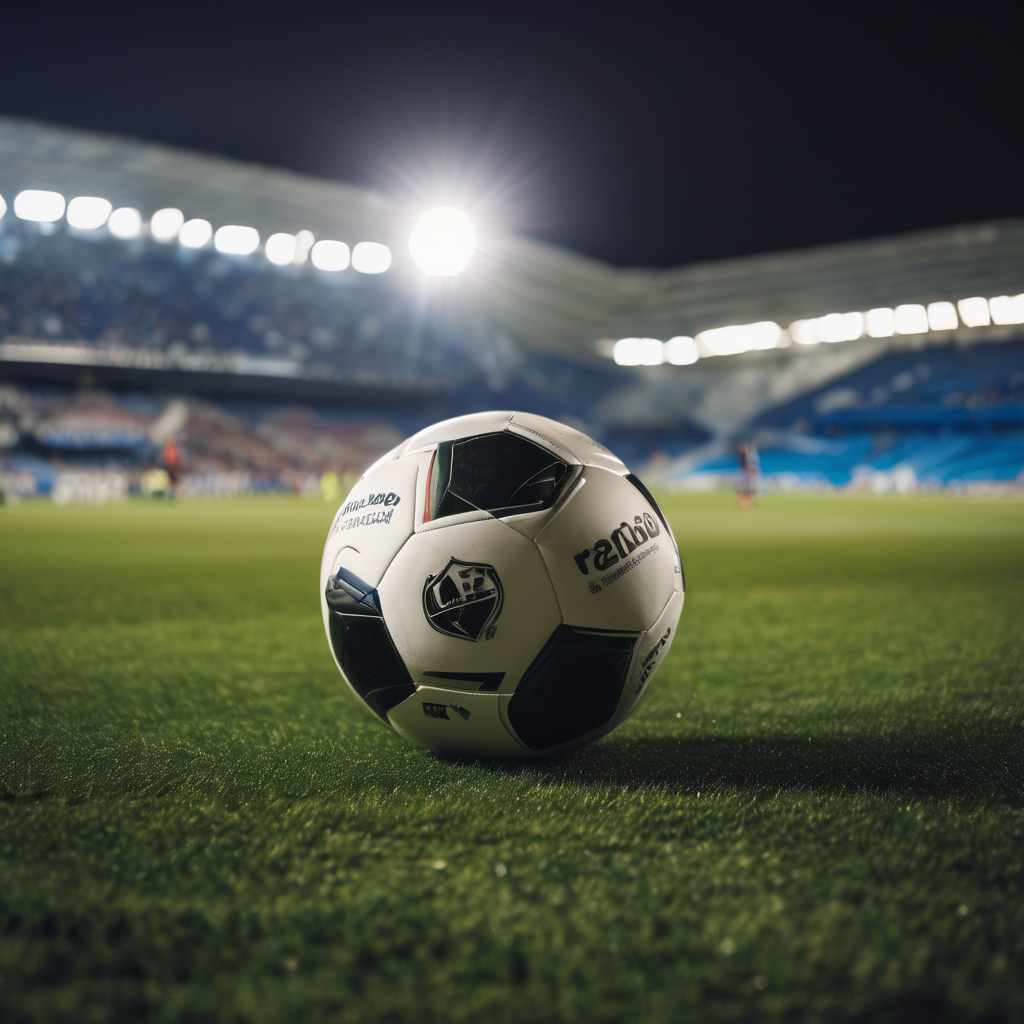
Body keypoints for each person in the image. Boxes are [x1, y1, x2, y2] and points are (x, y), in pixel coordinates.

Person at [737, 442, 760, 507]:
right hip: (746, 473)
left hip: (748, 473)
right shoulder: (746, 456)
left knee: (749, 488)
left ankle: (748, 501)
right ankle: (745, 501)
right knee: (745, 488)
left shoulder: (749, 456)